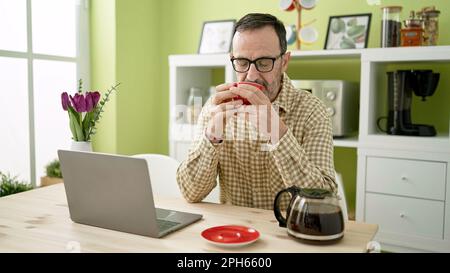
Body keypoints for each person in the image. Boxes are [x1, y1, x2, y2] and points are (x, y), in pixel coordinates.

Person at [176, 13, 336, 210]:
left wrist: (278, 132)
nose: (251, 75)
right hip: (234, 235)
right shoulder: (215, 107)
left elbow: (323, 202)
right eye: (242, 62)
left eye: (263, 62)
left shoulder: (312, 110)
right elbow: (190, 192)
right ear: (232, 59)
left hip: (291, 232)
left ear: (284, 62)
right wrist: (211, 137)